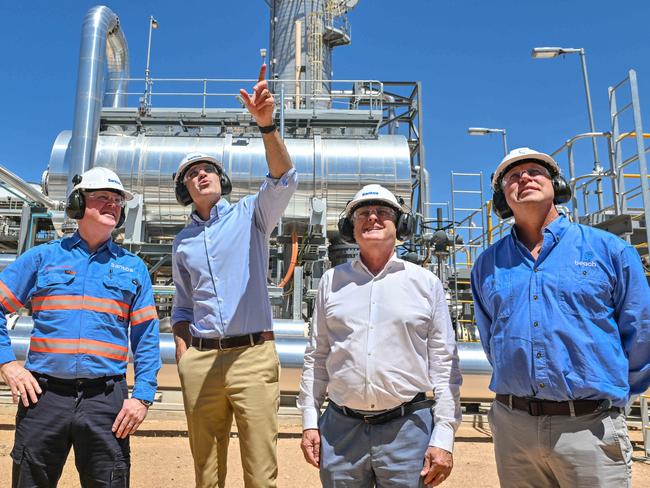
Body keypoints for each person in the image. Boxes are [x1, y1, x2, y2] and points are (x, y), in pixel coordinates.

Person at [471, 147, 650, 487]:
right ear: (502, 198)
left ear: (558, 185)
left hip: (589, 426)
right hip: (514, 429)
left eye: (534, 172)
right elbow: (490, 339)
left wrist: (611, 397)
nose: (524, 178)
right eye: (513, 177)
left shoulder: (609, 251)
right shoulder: (487, 265)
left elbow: (641, 331)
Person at [171, 64, 297, 488]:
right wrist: (184, 353)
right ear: (185, 188)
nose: (200, 174)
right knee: (206, 475)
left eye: (207, 169)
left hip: (251, 357)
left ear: (221, 181)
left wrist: (267, 126)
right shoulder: (183, 243)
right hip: (201, 360)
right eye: (192, 173)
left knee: (260, 473)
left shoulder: (251, 215)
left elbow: (283, 177)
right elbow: (182, 305)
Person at [0, 166, 160, 487]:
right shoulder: (42, 258)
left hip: (106, 400)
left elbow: (146, 338)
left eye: (117, 200)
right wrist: (7, 363)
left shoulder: (133, 267)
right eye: (102, 197)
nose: (112, 205)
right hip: (43, 398)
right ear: (77, 204)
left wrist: (142, 397)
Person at [298, 184, 462, 487]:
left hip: (407, 430)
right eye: (363, 213)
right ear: (350, 226)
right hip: (340, 431)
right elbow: (317, 356)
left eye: (383, 212)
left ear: (400, 226)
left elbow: (444, 364)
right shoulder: (331, 282)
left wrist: (443, 437)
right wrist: (309, 421)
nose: (372, 218)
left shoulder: (425, 283)